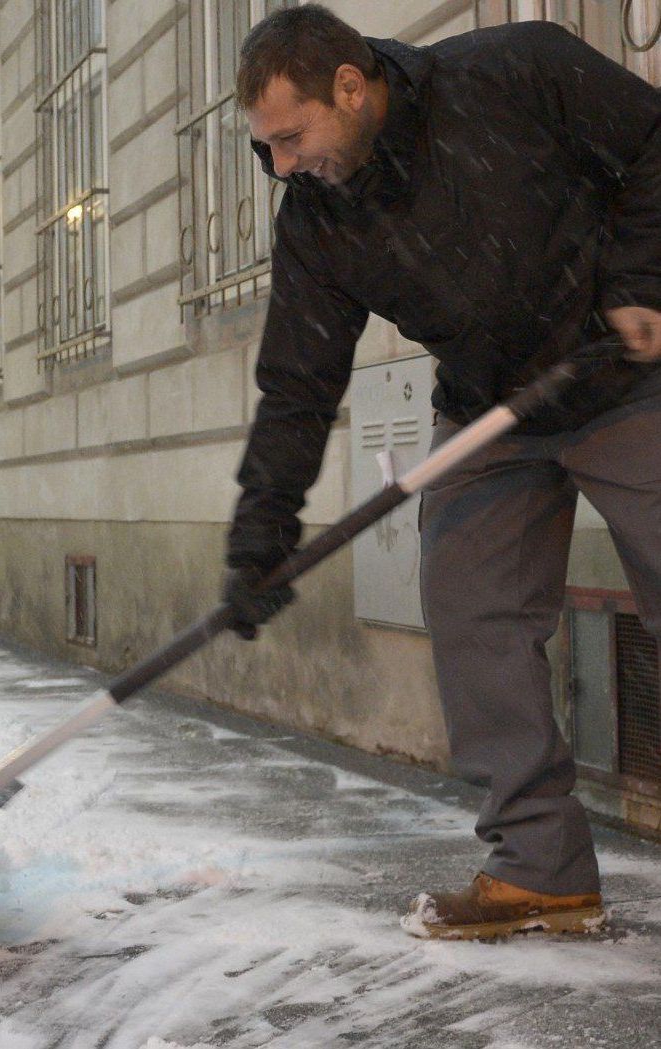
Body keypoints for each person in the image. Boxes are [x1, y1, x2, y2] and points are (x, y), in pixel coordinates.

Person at [225, 5, 661, 939]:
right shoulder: (317, 217)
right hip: (489, 408)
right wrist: (262, 530)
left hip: (622, 376)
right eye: (267, 148)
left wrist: (637, 283)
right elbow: (299, 382)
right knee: (470, 607)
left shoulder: (514, 70)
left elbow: (655, 143)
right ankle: (542, 866)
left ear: (350, 85)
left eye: (291, 138)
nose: (284, 165)